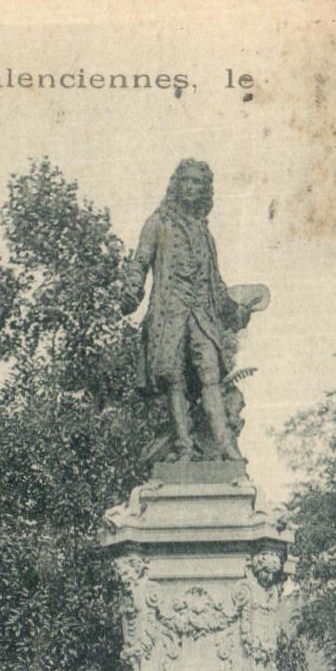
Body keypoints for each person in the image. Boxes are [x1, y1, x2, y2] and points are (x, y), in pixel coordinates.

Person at [120, 159, 265, 461]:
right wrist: (132, 290)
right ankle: (184, 447)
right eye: (185, 180)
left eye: (197, 182)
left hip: (201, 317)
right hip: (169, 315)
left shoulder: (204, 234)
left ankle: (226, 446)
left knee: (210, 374)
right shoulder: (157, 223)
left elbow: (216, 284)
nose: (190, 187)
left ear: (204, 190)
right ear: (176, 185)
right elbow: (140, 260)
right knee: (173, 378)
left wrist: (236, 311)